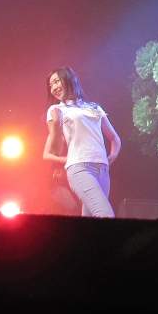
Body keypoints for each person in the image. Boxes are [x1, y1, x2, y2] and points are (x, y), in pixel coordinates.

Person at [42, 67, 121, 218]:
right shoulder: (56, 109)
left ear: (69, 79)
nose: (54, 88)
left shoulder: (94, 107)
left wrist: (111, 157)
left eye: (56, 81)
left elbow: (114, 138)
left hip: (103, 170)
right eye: (51, 85)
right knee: (105, 214)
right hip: (79, 168)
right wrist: (57, 124)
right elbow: (54, 149)